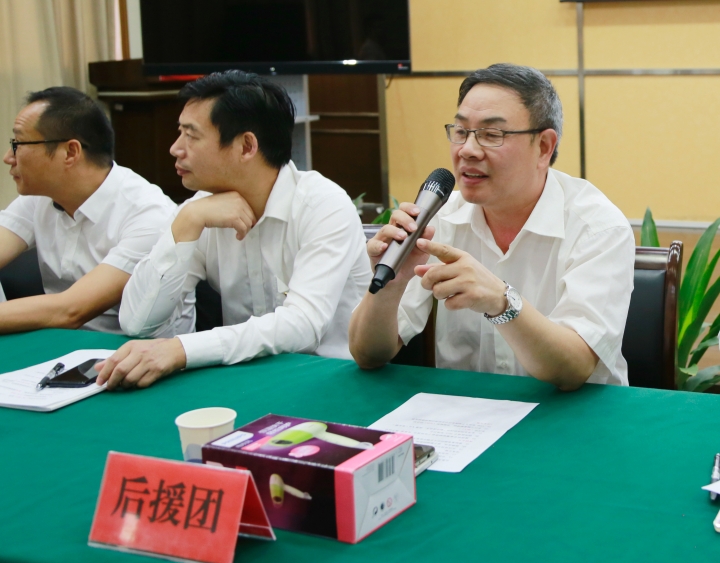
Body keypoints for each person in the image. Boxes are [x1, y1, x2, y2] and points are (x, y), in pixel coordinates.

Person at [349, 63, 635, 389]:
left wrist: (502, 302)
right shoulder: (437, 219)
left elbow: (574, 367)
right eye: (461, 132)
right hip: (465, 412)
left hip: (575, 414)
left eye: (491, 135)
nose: (468, 150)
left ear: (544, 147)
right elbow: (367, 354)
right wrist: (390, 286)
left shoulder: (597, 228)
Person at [96, 70, 371, 389]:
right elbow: (136, 321)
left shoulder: (323, 205)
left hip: (332, 382)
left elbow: (303, 326)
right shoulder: (200, 211)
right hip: (244, 382)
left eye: (191, 136)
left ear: (246, 146)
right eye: (179, 133)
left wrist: (181, 350)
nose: (175, 148)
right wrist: (187, 221)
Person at [0, 87, 191, 335]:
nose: (8, 157)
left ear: (70, 152)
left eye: (18, 144)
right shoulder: (40, 196)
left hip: (135, 350)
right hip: (62, 343)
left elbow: (71, 310)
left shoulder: (148, 214)